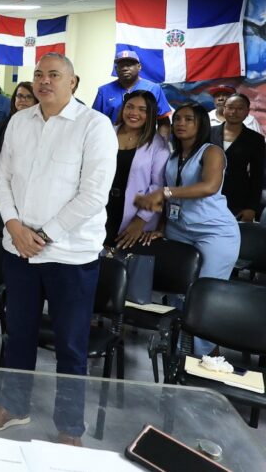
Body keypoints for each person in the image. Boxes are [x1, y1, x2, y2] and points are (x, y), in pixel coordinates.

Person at [0, 53, 116, 444]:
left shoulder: (94, 126)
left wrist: (43, 234)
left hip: (70, 255)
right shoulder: (20, 121)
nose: (44, 81)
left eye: (54, 74)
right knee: (17, 334)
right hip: (19, 249)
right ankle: (13, 405)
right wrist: (14, 226)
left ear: (73, 82)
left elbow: (93, 194)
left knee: (71, 344)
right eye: (38, 74)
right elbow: (2, 179)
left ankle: (69, 427)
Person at [135, 102, 240, 357]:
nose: (180, 123)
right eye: (177, 119)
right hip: (179, 229)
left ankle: (205, 357)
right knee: (179, 293)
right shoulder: (174, 155)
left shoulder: (212, 151)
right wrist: (162, 226)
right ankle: (179, 353)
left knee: (205, 295)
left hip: (214, 232)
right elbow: (171, 201)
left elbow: (209, 186)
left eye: (188, 119)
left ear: (201, 123)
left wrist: (164, 192)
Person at [104, 91, 170, 259]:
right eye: (130, 107)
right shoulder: (106, 133)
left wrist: (140, 221)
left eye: (142, 110)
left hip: (134, 214)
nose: (134, 113)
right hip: (101, 206)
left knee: (123, 263)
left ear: (151, 114)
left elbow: (158, 187)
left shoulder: (158, 144)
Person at [210, 93, 265, 221]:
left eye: (240, 108)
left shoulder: (255, 139)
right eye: (230, 107)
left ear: (247, 112)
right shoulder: (208, 132)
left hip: (238, 198)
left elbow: (257, 176)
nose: (234, 112)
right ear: (224, 109)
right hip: (208, 195)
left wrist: (251, 207)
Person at [92, 50, 171, 132]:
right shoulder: (104, 91)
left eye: (129, 65)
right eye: (121, 65)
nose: (125, 68)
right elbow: (95, 122)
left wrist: (161, 140)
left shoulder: (154, 88)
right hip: (112, 137)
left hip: (145, 138)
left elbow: (163, 121)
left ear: (139, 67)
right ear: (116, 69)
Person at [0, 82, 37, 155]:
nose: (23, 100)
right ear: (14, 99)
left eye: (29, 97)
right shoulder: (3, 125)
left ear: (36, 101)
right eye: (20, 96)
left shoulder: (41, 124)